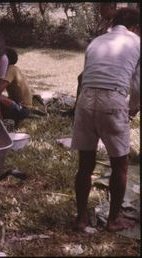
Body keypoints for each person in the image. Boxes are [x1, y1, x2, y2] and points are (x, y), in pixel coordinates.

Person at [71, 8, 140, 233]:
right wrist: (131, 108)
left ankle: (81, 219)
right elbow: (138, 85)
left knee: (85, 164)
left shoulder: (96, 42)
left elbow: (83, 77)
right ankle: (113, 221)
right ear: (135, 27)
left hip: (86, 98)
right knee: (120, 164)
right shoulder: (137, 42)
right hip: (113, 99)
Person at [0, 47, 32, 125]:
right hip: (22, 106)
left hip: (22, 109)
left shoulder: (11, 69)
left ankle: (1, 123)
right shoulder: (14, 69)